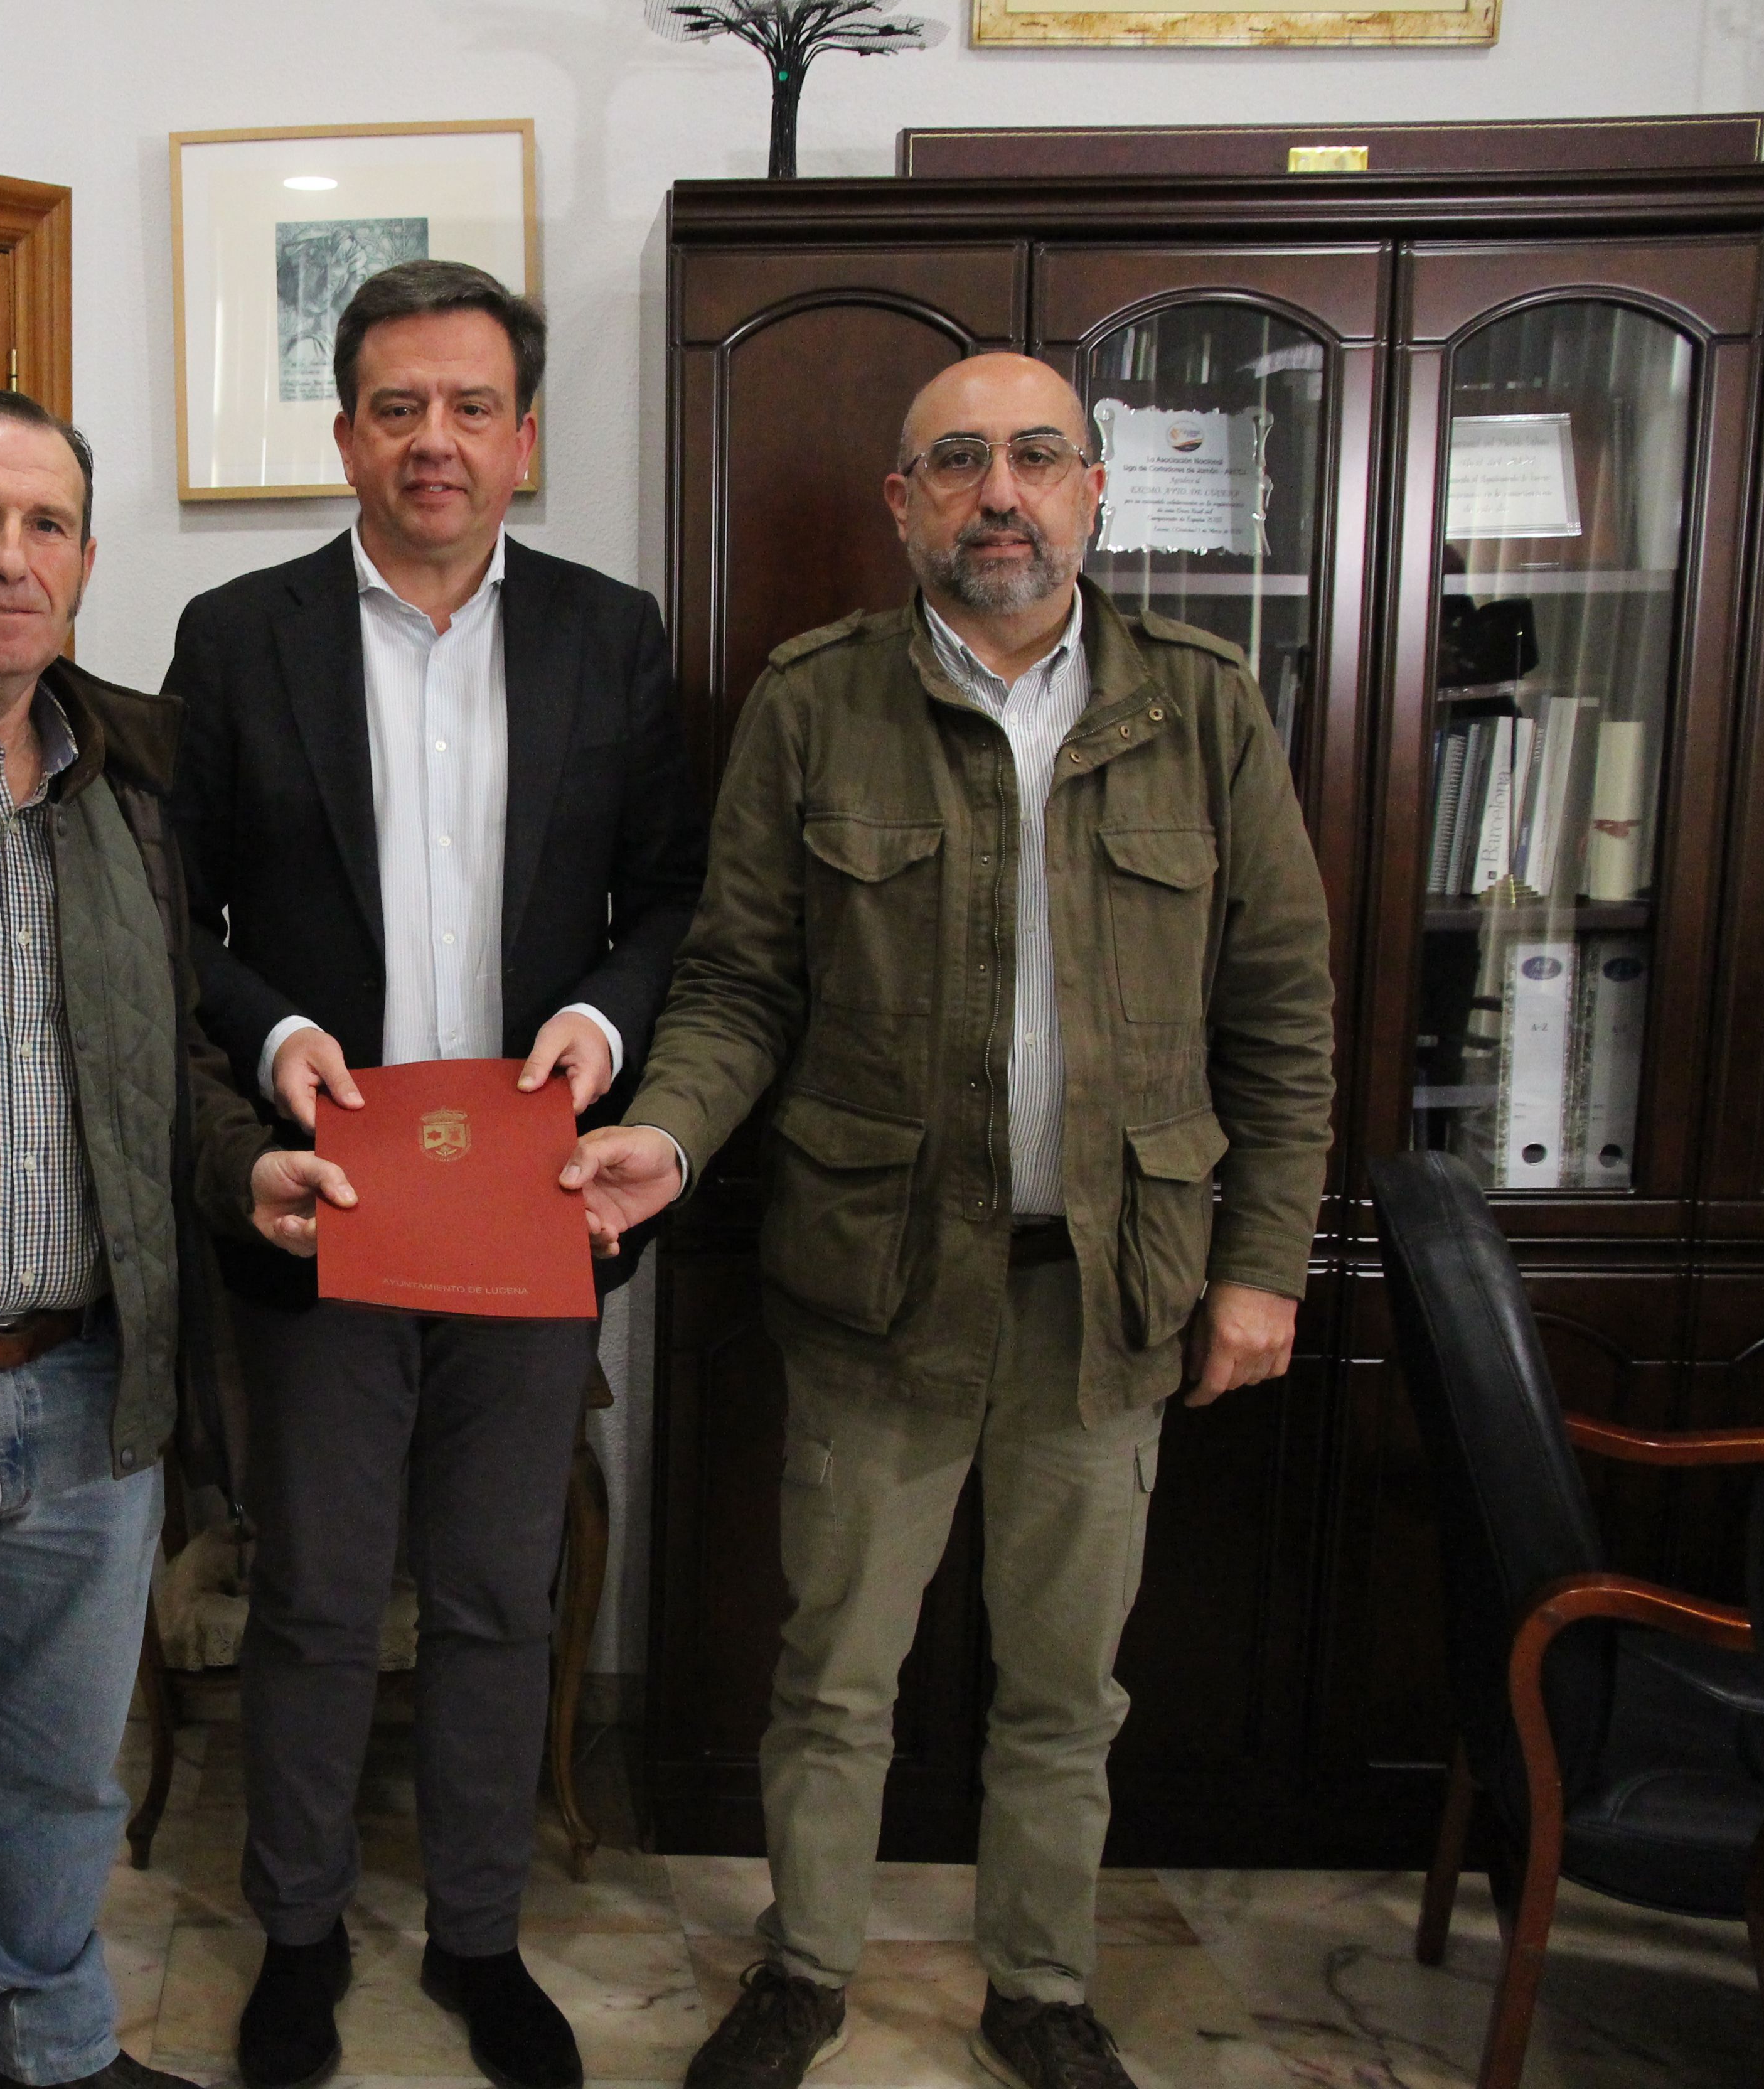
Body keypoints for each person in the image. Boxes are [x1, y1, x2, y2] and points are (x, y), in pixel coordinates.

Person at [565, 352, 1335, 2089]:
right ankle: (806, 1971)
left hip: (1111, 1293)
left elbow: (1282, 1013)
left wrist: (1262, 1266)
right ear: (902, 503)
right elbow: (741, 983)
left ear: (1095, 495)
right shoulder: (815, 702)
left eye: (1038, 457)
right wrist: (667, 1141)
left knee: (1068, 1692)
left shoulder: (1205, 707)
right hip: (877, 1288)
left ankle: (1043, 1990)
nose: (1003, 491)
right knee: (836, 1676)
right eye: (961, 461)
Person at [165, 260, 707, 2089]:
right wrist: (270, 1047)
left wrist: (600, 1027)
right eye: (398, 406)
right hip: (333, 1194)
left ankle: (481, 1938)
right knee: (317, 1597)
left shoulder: (608, 635)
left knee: (495, 1590)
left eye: (472, 407)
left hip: (533, 1207)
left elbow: (671, 903)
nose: (435, 441)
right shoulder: (240, 637)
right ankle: (300, 1938)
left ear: (524, 436)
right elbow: (182, 922)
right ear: (344, 432)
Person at [0, 389, 348, 2089]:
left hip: (97, 1382)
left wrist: (243, 1173)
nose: (4, 559)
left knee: (58, 1777)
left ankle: (52, 2048)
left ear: (89, 558)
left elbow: (162, 1047)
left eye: (41, 525)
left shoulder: (143, 771)